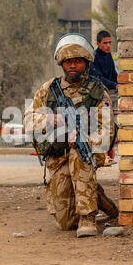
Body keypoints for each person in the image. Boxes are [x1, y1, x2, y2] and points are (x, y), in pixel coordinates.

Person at [25, 33, 118, 238]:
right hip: (58, 156)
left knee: (79, 151)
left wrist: (85, 138)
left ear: (86, 62)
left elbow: (107, 130)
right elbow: (28, 120)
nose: (73, 65)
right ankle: (100, 199)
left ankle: (88, 216)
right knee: (65, 223)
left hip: (87, 153)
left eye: (77, 61)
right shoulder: (49, 89)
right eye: (68, 62)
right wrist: (50, 119)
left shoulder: (97, 91)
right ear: (62, 63)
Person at [91, 30, 118, 166]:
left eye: (110, 42)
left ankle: (108, 154)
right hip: (97, 96)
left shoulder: (109, 56)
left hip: (108, 95)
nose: (108, 45)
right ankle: (103, 156)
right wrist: (115, 85)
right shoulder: (94, 57)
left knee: (112, 126)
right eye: (105, 43)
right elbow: (99, 79)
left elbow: (113, 75)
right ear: (98, 44)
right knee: (102, 126)